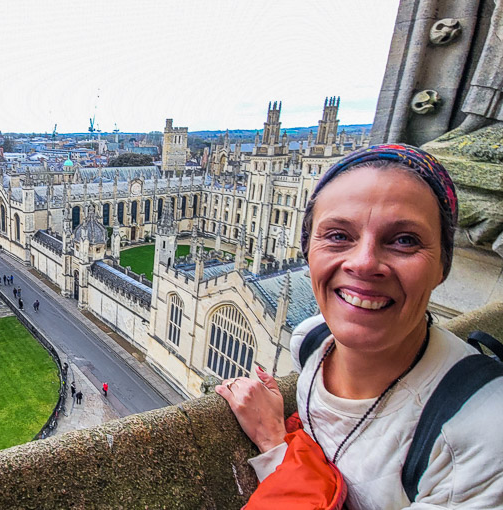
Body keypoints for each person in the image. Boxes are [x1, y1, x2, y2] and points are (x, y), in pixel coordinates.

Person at [215, 144, 503, 509]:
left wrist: (274, 438)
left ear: (443, 266)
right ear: (308, 251)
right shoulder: (310, 342)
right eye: (338, 235)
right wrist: (276, 446)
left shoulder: (484, 441)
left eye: (404, 240)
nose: (364, 263)